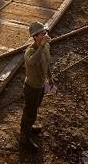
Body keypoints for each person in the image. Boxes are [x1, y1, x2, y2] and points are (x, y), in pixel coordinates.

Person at [20, 21, 54, 150]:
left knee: (34, 109)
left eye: (45, 32)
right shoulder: (30, 51)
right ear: (35, 37)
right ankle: (24, 138)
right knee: (29, 112)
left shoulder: (46, 46)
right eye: (42, 34)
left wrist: (49, 77)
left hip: (40, 85)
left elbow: (46, 62)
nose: (45, 35)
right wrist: (41, 46)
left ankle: (29, 126)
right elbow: (33, 62)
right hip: (31, 88)